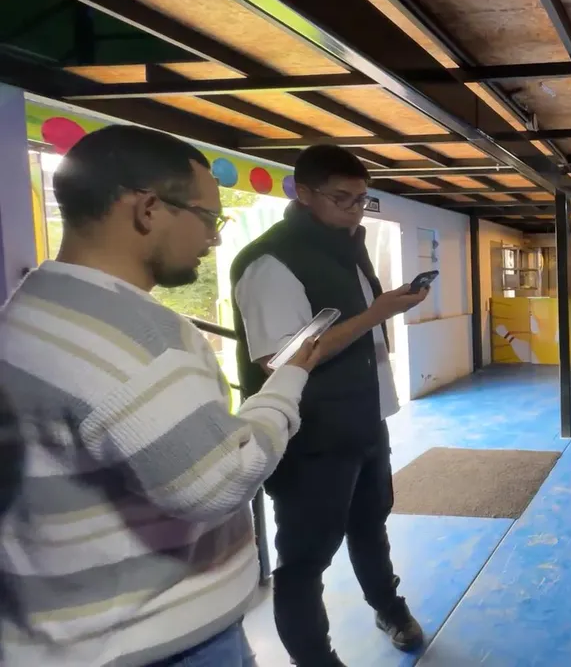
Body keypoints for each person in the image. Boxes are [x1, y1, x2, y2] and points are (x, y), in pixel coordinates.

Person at [0, 125, 319, 666]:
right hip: (153, 642)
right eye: (208, 218)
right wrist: (286, 386)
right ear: (149, 209)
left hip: (75, 633)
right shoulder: (131, 335)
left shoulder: (34, 307)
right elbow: (217, 481)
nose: (213, 238)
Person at [230, 145, 428, 666]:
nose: (355, 210)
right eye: (342, 199)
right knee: (305, 560)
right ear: (303, 192)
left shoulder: (347, 247)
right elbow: (281, 359)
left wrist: (385, 307)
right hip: (311, 438)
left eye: (362, 200)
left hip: (365, 422)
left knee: (370, 526)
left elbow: (357, 323)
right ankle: (315, 659)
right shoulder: (270, 262)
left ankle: (389, 608)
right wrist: (377, 312)